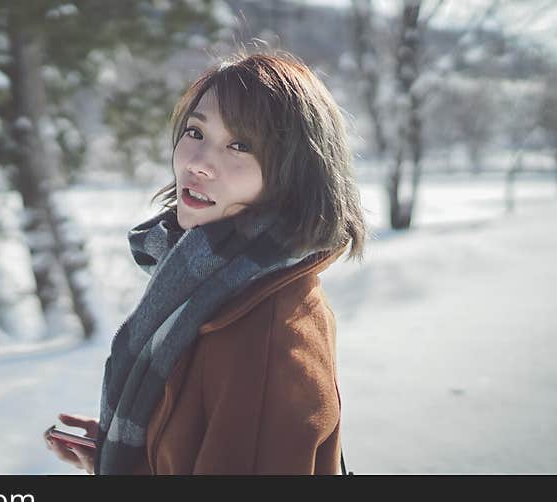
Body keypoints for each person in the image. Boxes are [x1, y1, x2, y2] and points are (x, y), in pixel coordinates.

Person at [45, 50, 366, 474]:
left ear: (294, 173)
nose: (198, 164)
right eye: (195, 132)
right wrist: (131, 458)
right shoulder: (209, 290)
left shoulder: (262, 332)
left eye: (239, 145)